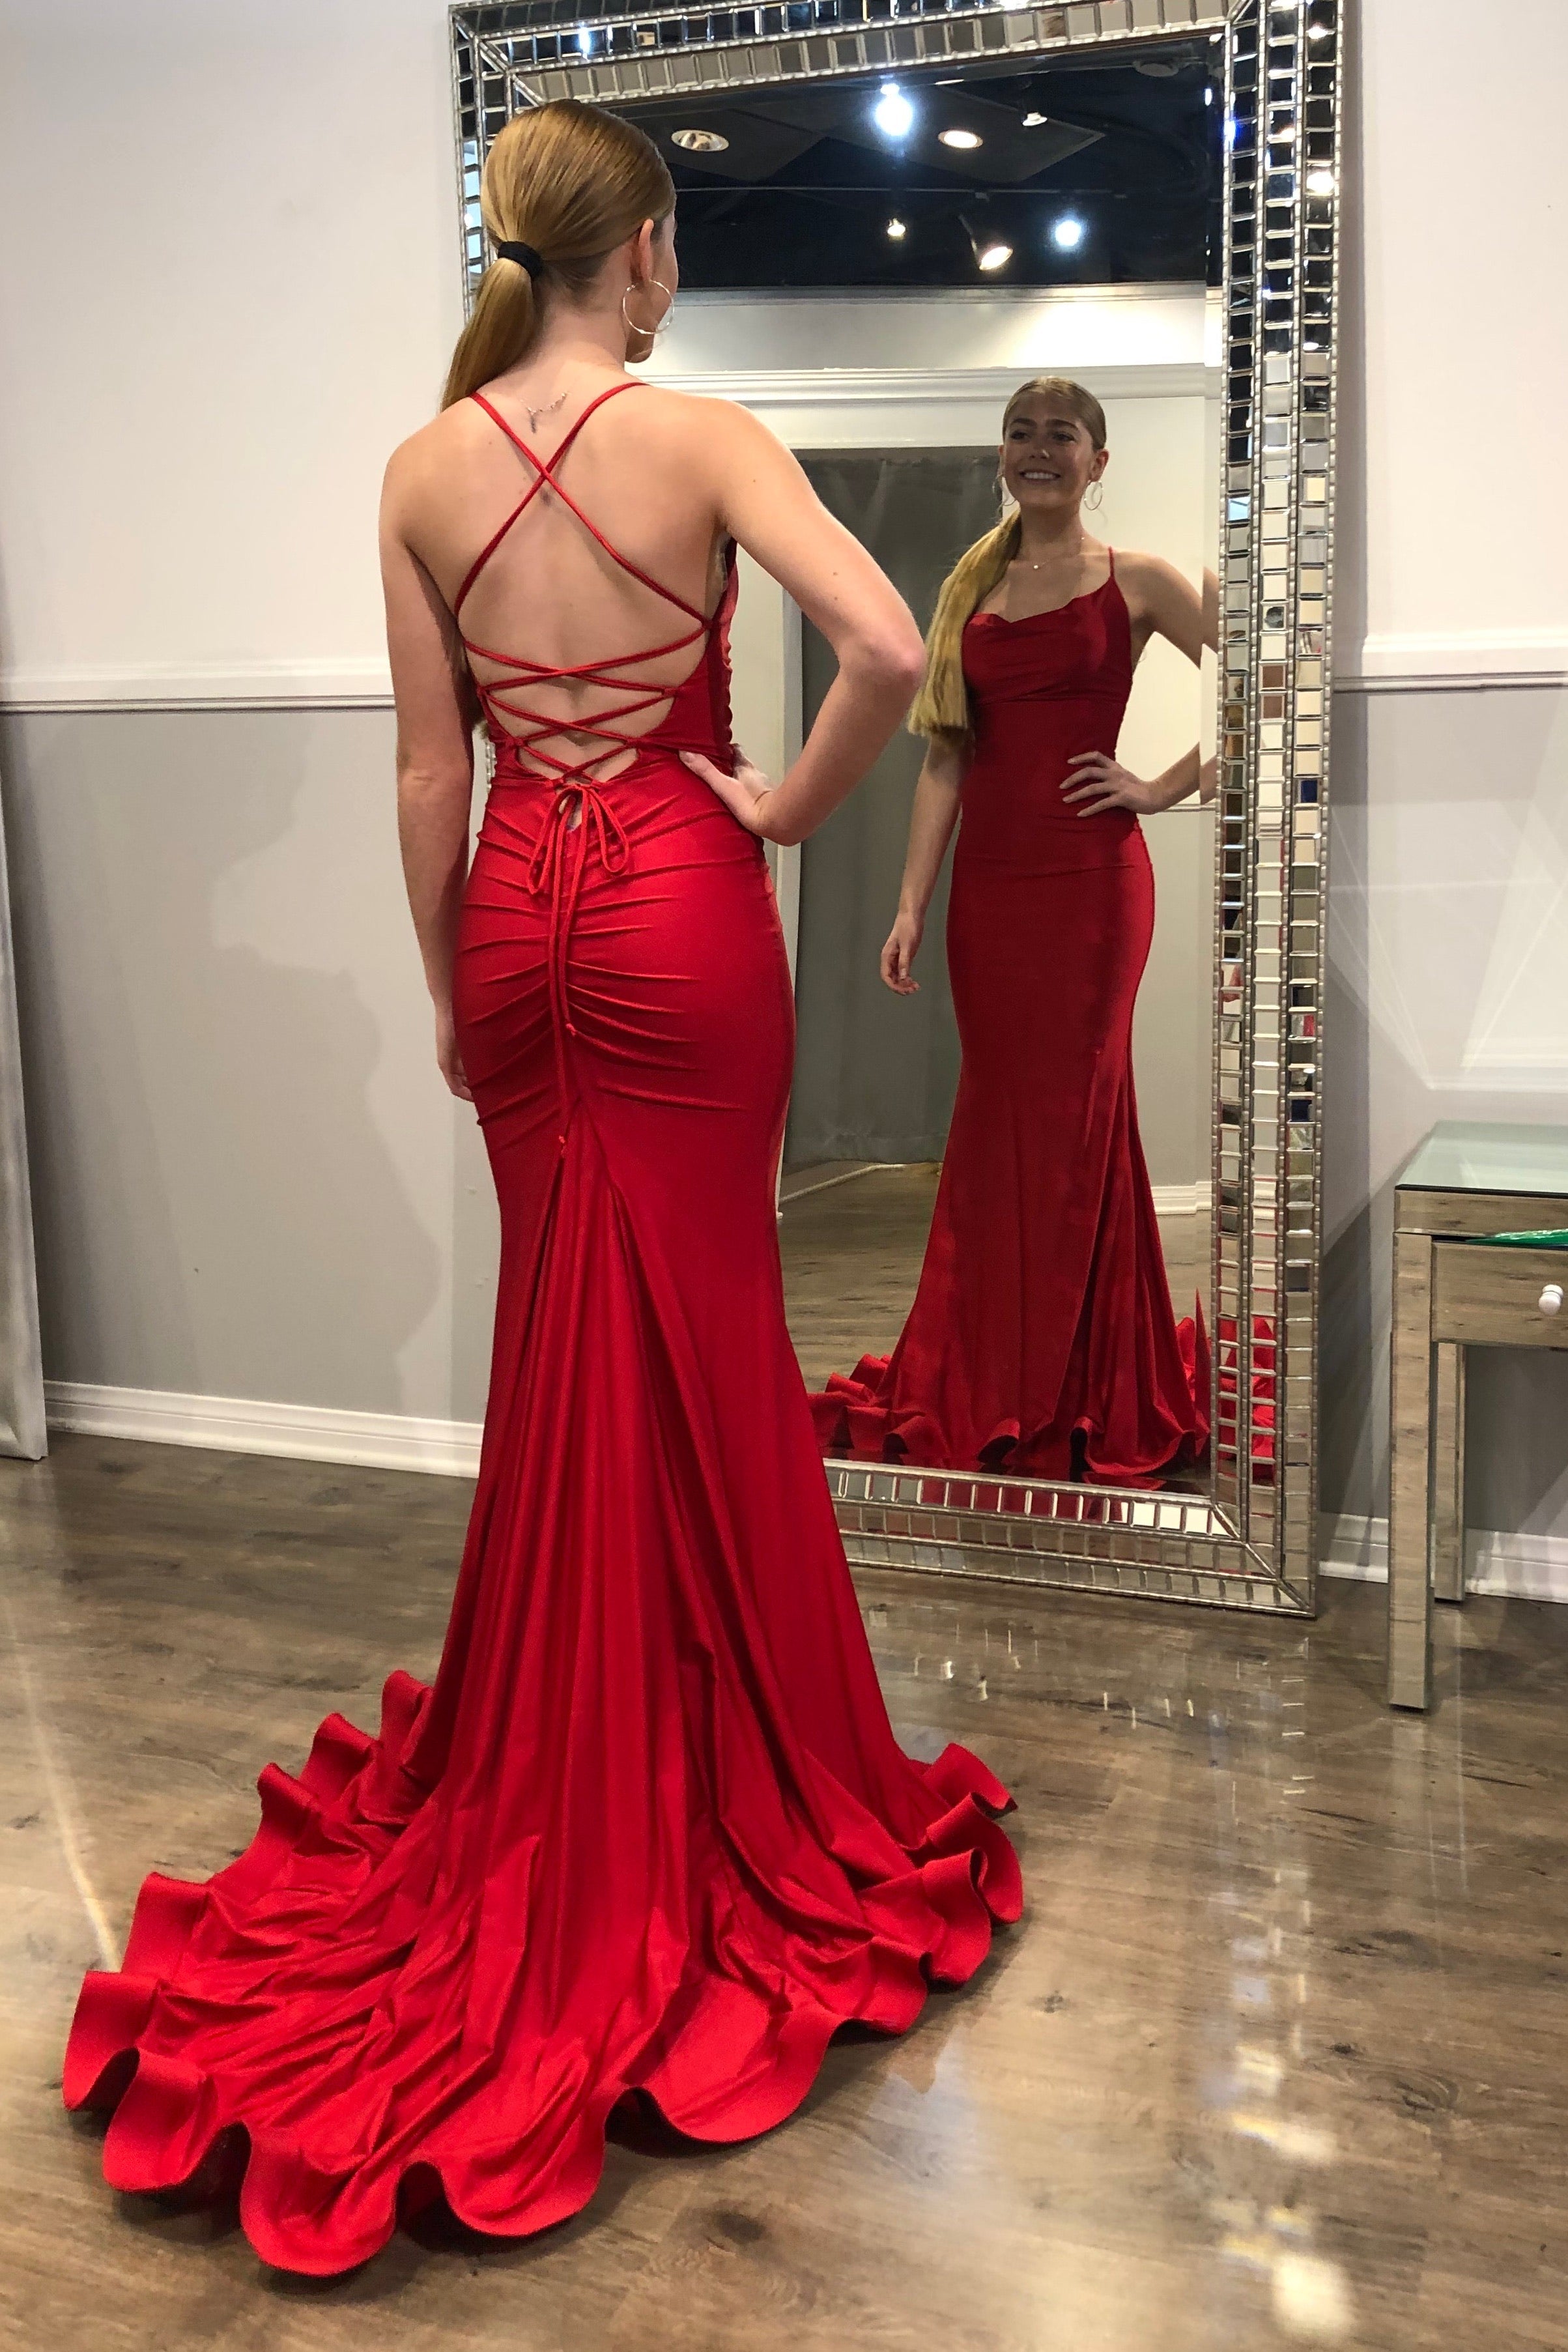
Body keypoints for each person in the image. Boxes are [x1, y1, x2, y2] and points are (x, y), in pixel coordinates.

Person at [62, 100, 1020, 2276]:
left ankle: (571, 1750)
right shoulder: (701, 439)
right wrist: (785, 808)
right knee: (703, 1327)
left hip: (519, 921)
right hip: (677, 900)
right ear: (646, 250)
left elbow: (432, 767)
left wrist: (450, 985)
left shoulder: (420, 469)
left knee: (567, 1336)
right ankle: (712, 1766)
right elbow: (891, 647)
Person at [806, 378, 1213, 1487]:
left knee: (1078, 1123)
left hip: (1094, 890)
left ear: (1098, 461)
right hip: (990, 896)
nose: (1040, 450)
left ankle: (1082, 1379)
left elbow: (1271, 686)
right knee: (997, 1125)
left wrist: (1161, 785)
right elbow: (946, 756)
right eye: (1021, 434)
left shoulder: (1140, 580)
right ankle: (1004, 1369)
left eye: (1062, 436)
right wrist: (910, 900)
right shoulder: (969, 589)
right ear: (1002, 455)